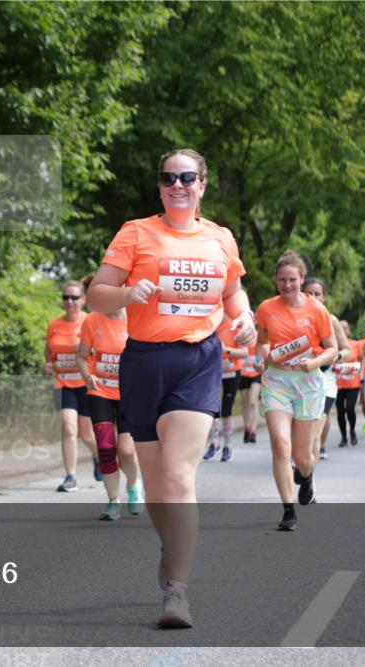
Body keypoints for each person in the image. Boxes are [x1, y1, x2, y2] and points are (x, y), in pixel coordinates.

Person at [87, 148, 255, 629]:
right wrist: (126, 294)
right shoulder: (136, 232)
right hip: (142, 362)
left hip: (198, 359)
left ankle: (176, 592)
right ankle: (173, 545)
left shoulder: (220, 238)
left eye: (187, 177)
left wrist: (243, 319)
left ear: (202, 184)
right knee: (159, 487)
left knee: (180, 479)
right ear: (159, 186)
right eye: (168, 178)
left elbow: (232, 292)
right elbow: (99, 292)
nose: (177, 185)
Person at [255, 251, 337, 532]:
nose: (287, 285)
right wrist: (263, 355)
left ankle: (307, 474)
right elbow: (262, 342)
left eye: (292, 280)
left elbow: (332, 349)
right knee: (280, 444)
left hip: (308, 384)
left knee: (302, 457)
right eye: (281, 280)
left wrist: (312, 362)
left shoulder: (317, 310)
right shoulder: (266, 308)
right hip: (277, 382)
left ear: (302, 279)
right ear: (276, 281)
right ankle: (288, 510)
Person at [77, 304, 144, 519]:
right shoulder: (93, 320)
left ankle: (133, 485)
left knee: (126, 450)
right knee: (106, 448)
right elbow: (81, 356)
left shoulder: (137, 317)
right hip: (100, 392)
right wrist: (87, 376)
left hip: (129, 394)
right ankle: (113, 500)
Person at [45, 280, 98, 491]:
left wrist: (88, 350)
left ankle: (97, 456)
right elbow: (49, 353)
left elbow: (104, 351)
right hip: (63, 383)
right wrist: (48, 365)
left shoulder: (91, 321)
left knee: (86, 434)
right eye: (66, 297)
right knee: (68, 427)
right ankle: (71, 476)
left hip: (86, 383)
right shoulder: (54, 325)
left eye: (75, 297)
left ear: (83, 300)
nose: (70, 301)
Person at [300, 277, 351, 462]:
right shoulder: (295, 318)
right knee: (303, 426)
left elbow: (347, 350)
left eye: (317, 294)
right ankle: (304, 457)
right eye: (309, 293)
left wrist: (333, 356)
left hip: (325, 380)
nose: (313, 297)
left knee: (318, 426)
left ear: (324, 297)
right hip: (300, 379)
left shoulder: (331, 319)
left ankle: (309, 467)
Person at [204, 318, 247, 462]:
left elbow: (244, 352)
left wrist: (226, 350)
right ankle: (214, 443)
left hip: (232, 371)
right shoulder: (208, 322)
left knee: (227, 410)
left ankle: (227, 446)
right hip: (212, 372)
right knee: (212, 409)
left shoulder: (234, 325)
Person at [333, 320, 363, 447]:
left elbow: (363, 360)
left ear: (348, 330)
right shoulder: (333, 347)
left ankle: (352, 430)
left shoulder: (355, 344)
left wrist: (361, 372)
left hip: (353, 383)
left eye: (345, 328)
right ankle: (344, 437)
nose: (343, 330)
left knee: (350, 408)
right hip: (338, 384)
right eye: (340, 328)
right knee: (340, 411)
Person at [238, 342, 264, 444]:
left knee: (253, 402)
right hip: (243, 374)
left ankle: (253, 431)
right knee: (246, 403)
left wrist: (258, 362)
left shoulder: (259, 337)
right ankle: (247, 429)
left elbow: (260, 354)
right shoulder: (242, 337)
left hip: (256, 374)